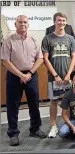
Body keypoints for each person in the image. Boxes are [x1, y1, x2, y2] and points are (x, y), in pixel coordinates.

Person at [0, 15, 47, 146]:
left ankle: (35, 128)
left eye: (25, 22)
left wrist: (29, 73)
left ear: (28, 24)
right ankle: (13, 133)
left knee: (34, 103)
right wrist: (21, 75)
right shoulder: (8, 41)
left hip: (31, 75)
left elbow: (40, 58)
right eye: (20, 22)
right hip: (14, 76)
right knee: (13, 105)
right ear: (15, 25)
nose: (23, 24)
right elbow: (5, 61)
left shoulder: (33, 39)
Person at [42, 12, 75, 138]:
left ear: (65, 22)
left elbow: (74, 57)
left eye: (63, 20)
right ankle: (53, 126)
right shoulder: (48, 38)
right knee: (54, 101)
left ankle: (68, 124)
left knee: (67, 101)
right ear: (54, 22)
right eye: (59, 20)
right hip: (54, 77)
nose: (61, 23)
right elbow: (45, 59)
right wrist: (56, 75)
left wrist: (69, 74)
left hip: (68, 76)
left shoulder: (70, 38)